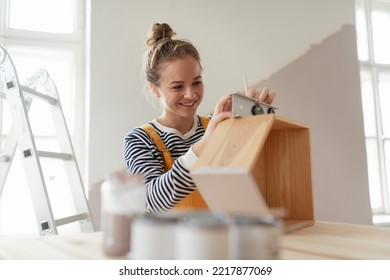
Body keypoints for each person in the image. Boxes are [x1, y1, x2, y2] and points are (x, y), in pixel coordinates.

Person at [123, 23, 276, 213]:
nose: (191, 94)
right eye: (177, 87)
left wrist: (256, 118)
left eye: (197, 82)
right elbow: (150, 201)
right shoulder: (139, 140)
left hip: (220, 236)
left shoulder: (218, 124)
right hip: (170, 241)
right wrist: (203, 146)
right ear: (155, 89)